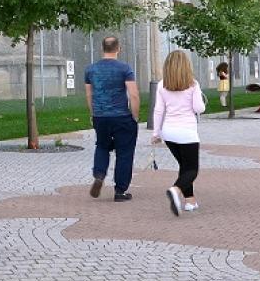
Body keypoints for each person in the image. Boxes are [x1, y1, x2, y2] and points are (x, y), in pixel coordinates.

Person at [84, 36, 140, 202]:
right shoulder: (125, 68)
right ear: (118, 49)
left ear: (103, 48)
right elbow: (134, 94)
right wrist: (135, 116)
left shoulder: (91, 69)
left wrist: (93, 113)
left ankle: (99, 174)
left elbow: (89, 94)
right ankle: (120, 191)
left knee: (101, 146)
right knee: (124, 152)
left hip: (100, 117)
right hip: (121, 116)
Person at [150, 49, 206, 216]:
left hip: (169, 132)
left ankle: (190, 201)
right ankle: (176, 190)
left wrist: (156, 132)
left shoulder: (161, 85)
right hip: (187, 132)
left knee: (184, 166)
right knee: (192, 170)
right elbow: (199, 108)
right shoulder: (193, 84)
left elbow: (158, 110)